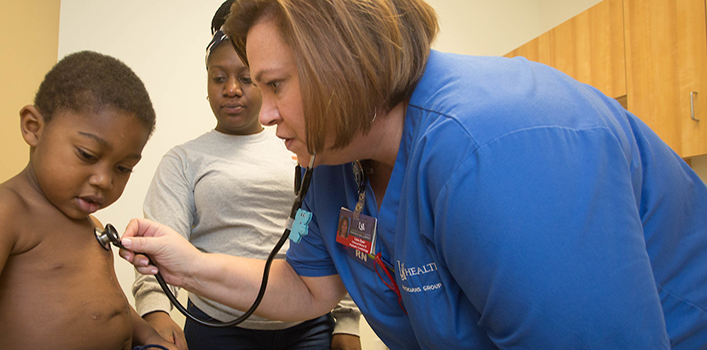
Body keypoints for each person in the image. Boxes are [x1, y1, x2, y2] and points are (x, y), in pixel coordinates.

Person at [119, 0, 707, 348]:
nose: (263, 110)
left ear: (343, 65)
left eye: (274, 84)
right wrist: (189, 265)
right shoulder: (335, 163)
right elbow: (308, 288)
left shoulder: (497, 145)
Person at [0, 51, 177, 350]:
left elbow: (111, 305)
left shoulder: (91, 224)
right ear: (33, 127)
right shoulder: (5, 213)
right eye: (87, 155)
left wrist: (150, 337)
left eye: (123, 168)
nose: (105, 180)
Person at [133, 2, 361, 349]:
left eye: (245, 77)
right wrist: (156, 316)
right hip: (217, 324)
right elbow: (160, 248)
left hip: (306, 326)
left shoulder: (303, 149)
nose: (231, 89)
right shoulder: (184, 159)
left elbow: (334, 236)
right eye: (219, 78)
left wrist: (347, 323)